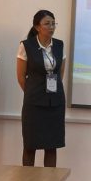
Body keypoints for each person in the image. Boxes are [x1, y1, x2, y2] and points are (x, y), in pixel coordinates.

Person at [16, 10, 65, 167]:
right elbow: (21, 77)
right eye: (47, 24)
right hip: (34, 105)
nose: (51, 27)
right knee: (30, 146)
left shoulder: (59, 45)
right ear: (37, 27)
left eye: (53, 23)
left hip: (55, 104)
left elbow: (60, 74)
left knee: (51, 147)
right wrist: (33, 93)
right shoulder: (26, 45)